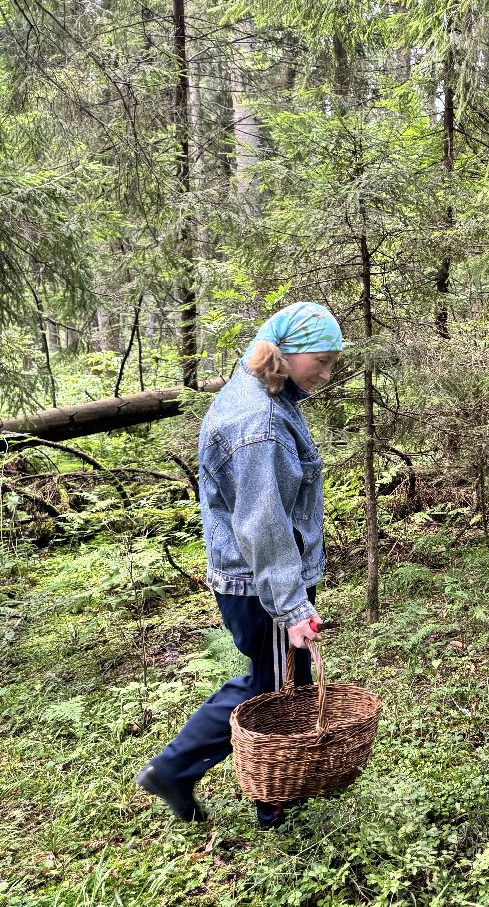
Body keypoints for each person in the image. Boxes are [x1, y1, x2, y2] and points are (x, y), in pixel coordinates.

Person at [136, 301, 341, 830]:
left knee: (273, 681)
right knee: (272, 692)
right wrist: (293, 608)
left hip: (263, 579)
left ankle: (184, 771)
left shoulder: (265, 392)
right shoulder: (259, 424)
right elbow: (262, 525)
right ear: (287, 354)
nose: (328, 370)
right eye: (321, 358)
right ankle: (253, 796)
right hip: (262, 583)